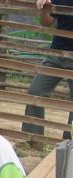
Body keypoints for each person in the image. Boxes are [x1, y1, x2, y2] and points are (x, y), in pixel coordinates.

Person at [22, 0, 73, 139]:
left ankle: (69, 142)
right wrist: (44, 9)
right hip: (57, 54)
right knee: (36, 91)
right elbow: (46, 22)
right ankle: (33, 139)